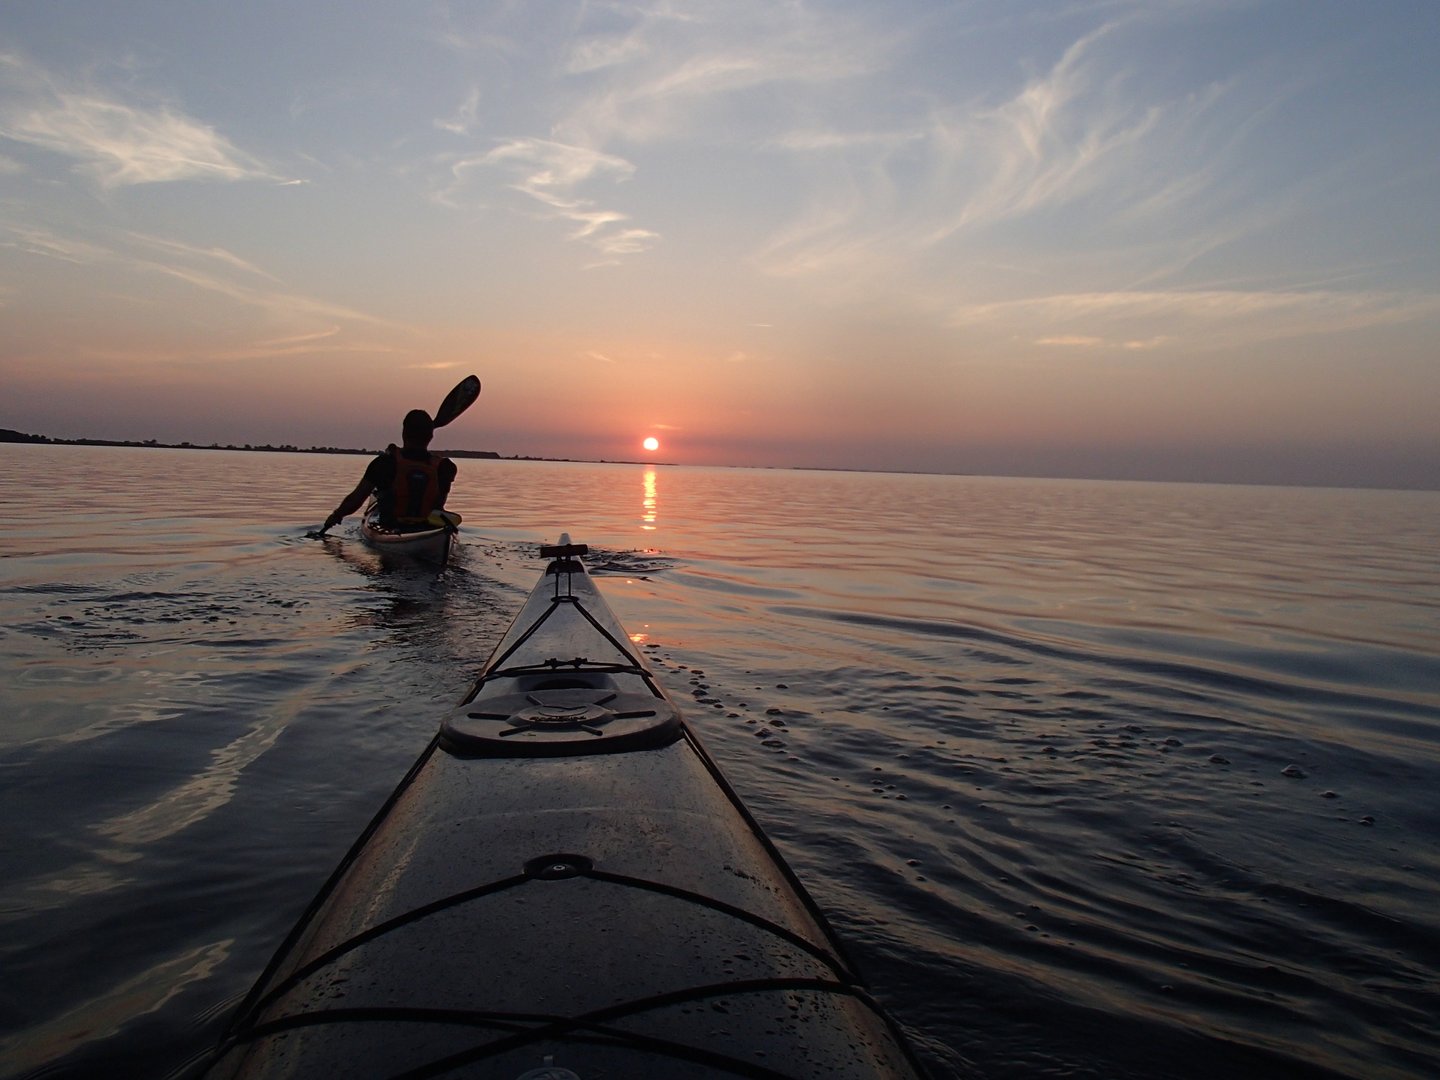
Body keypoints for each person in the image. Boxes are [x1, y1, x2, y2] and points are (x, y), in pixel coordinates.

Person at [323, 409, 458, 533]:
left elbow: (355, 500)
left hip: (390, 528)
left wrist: (336, 516)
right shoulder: (446, 467)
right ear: (430, 437)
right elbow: (438, 504)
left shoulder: (384, 463)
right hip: (429, 530)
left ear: (404, 433)